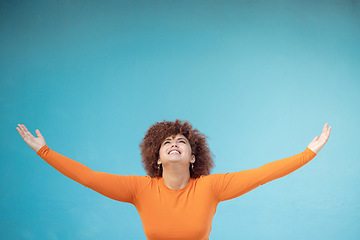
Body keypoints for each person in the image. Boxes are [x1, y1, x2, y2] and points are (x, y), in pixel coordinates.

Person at [16, 120, 332, 240]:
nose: (174, 144)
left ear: (194, 156)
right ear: (157, 156)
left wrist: (308, 153)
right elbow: (88, 177)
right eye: (166, 143)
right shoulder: (139, 189)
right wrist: (44, 151)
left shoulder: (211, 187)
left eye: (181, 141)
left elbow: (263, 174)